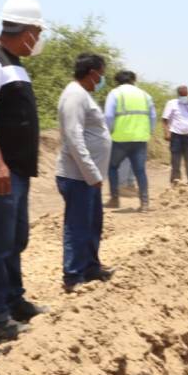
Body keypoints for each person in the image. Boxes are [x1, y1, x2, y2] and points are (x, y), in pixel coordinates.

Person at [0, 0, 49, 341]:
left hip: (17, 171)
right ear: (28, 31)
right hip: (0, 172)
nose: (39, 39)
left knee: (15, 239)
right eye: (38, 32)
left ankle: (13, 301)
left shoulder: (14, 63)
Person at [56, 53, 115, 292]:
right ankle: (73, 275)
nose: (101, 80)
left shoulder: (83, 94)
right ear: (92, 73)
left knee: (92, 224)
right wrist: (91, 172)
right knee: (78, 226)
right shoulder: (75, 95)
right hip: (78, 176)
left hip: (89, 178)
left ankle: (91, 267)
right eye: (101, 75)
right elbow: (74, 137)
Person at [104, 70, 156, 211]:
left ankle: (115, 199)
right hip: (140, 138)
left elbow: (108, 116)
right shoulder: (145, 95)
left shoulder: (115, 93)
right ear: (134, 80)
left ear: (117, 81)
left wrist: (109, 131)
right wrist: (149, 132)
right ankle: (144, 203)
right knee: (140, 171)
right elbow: (152, 116)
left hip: (120, 139)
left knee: (112, 167)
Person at [161, 85, 188, 186]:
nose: (184, 97)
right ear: (178, 94)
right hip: (176, 136)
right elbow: (164, 119)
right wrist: (166, 132)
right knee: (175, 160)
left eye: (185, 95)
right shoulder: (172, 103)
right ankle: (175, 181)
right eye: (182, 95)